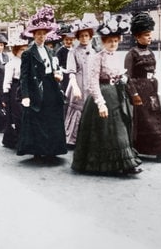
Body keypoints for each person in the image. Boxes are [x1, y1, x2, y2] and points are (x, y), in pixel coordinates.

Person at [72, 13, 142, 175]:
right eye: (110, 41)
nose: (113, 44)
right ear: (103, 42)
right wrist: (100, 103)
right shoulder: (98, 57)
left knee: (120, 129)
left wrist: (123, 78)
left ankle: (126, 163)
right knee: (106, 131)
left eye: (116, 41)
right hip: (103, 96)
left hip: (117, 95)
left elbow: (119, 74)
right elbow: (92, 82)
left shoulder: (116, 56)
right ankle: (108, 164)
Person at [17, 5, 67, 162]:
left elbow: (54, 67)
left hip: (51, 86)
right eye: (38, 34)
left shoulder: (50, 51)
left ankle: (52, 149)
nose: (41, 37)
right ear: (33, 35)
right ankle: (38, 150)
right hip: (35, 88)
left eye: (43, 34)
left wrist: (57, 75)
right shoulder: (28, 53)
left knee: (51, 117)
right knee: (37, 119)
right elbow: (24, 76)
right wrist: (25, 95)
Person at [124, 12, 161, 160]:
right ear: (137, 36)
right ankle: (144, 149)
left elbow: (154, 71)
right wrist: (134, 94)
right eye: (146, 35)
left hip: (152, 89)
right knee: (145, 120)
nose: (150, 37)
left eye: (150, 34)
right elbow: (127, 77)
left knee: (157, 118)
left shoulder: (151, 52)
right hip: (139, 90)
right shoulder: (131, 54)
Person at [64, 14, 98, 147]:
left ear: (90, 37)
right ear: (77, 38)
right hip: (78, 83)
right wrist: (75, 86)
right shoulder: (73, 52)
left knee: (90, 108)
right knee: (77, 109)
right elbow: (71, 72)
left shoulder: (94, 52)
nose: (84, 38)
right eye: (81, 36)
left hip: (91, 84)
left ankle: (90, 138)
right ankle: (73, 138)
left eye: (86, 36)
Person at [1, 37, 29, 149]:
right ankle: (15, 140)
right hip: (15, 88)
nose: (24, 52)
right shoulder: (11, 63)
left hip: (26, 88)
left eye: (25, 50)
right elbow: (7, 81)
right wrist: (5, 95)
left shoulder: (28, 62)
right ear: (16, 50)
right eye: (21, 50)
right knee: (17, 115)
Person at [55, 23, 76, 93]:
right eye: (66, 40)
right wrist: (65, 70)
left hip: (74, 72)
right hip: (65, 74)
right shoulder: (60, 51)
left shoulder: (75, 50)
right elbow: (57, 65)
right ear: (63, 40)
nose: (69, 41)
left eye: (70, 40)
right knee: (67, 89)